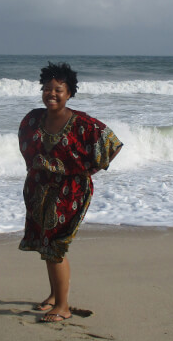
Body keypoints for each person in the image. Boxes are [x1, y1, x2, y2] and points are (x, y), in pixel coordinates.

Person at [18, 62, 123, 323]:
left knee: (56, 246)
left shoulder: (83, 123)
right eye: (47, 89)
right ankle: (54, 296)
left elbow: (112, 144)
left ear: (69, 93)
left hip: (70, 193)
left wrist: (88, 170)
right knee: (46, 244)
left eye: (58, 89)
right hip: (39, 191)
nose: (51, 94)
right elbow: (26, 146)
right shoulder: (33, 118)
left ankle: (63, 307)